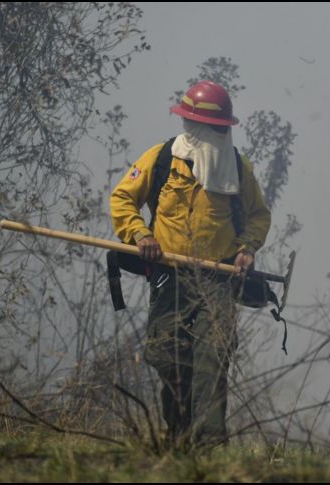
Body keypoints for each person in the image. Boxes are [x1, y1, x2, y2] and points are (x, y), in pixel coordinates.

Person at [109, 80, 271, 446]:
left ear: (222, 129)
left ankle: (209, 446)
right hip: (169, 276)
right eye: (195, 125)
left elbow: (259, 216)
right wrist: (140, 235)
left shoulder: (238, 169)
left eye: (214, 128)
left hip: (218, 280)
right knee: (166, 356)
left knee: (212, 360)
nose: (203, 133)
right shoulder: (161, 158)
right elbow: (122, 198)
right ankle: (178, 436)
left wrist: (248, 248)